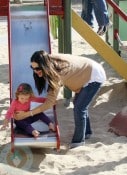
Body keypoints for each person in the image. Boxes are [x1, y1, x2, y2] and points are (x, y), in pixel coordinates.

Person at [14, 50, 106, 148]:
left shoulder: (57, 73)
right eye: (32, 68)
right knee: (79, 104)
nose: (35, 71)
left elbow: (49, 103)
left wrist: (27, 114)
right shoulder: (48, 60)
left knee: (79, 108)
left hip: (94, 76)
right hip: (86, 71)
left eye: (37, 68)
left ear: (44, 65)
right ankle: (87, 132)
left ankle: (78, 141)